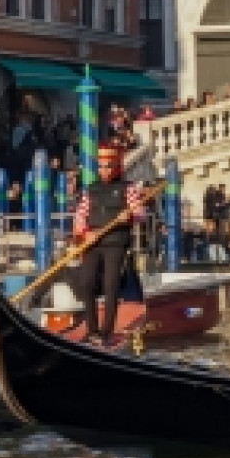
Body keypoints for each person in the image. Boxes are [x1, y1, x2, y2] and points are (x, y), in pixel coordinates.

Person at [70, 143, 148, 343]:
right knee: (87, 283)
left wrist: (129, 215)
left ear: (116, 166)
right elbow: (79, 217)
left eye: (108, 166)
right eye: (101, 166)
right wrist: (86, 233)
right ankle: (92, 330)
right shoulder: (91, 190)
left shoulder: (128, 188)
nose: (104, 171)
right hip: (93, 243)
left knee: (110, 284)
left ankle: (106, 333)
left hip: (116, 243)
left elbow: (140, 213)